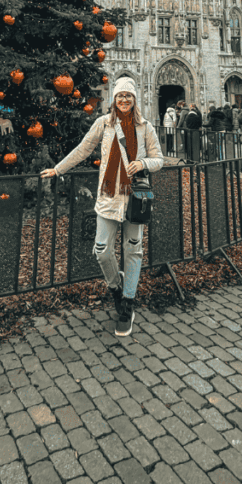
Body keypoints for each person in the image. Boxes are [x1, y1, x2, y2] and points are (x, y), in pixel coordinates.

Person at [40, 76, 164, 337]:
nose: (124, 99)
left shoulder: (145, 127)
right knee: (101, 250)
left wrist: (142, 164)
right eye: (120, 95)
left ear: (134, 99)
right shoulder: (103, 124)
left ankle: (127, 303)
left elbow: (159, 160)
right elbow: (83, 149)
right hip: (108, 196)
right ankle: (116, 286)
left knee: (134, 251)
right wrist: (58, 168)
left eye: (129, 95)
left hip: (135, 199)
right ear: (114, 98)